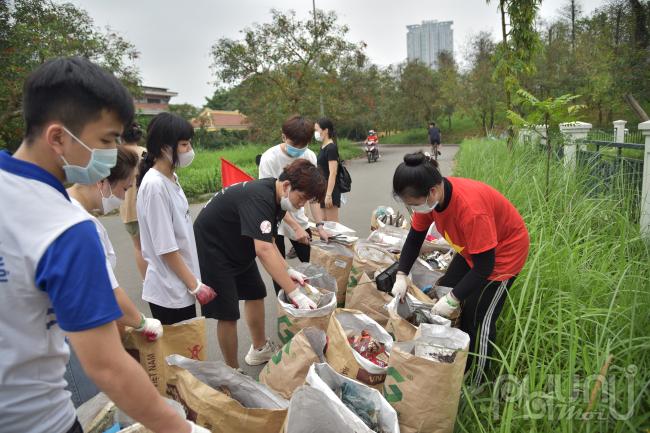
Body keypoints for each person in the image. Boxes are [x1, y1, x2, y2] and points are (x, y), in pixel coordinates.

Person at [0, 56, 207, 433]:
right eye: (107, 140)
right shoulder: (67, 226)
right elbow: (107, 366)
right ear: (58, 137)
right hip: (39, 420)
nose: (114, 153)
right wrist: (182, 428)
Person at [390, 152, 529, 385]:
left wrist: (455, 299)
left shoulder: (471, 210)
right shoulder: (432, 199)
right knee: (442, 289)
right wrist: (402, 274)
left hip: (502, 256)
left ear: (432, 191)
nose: (414, 209)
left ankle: (479, 381)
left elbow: (485, 266)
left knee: (479, 318)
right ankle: (455, 356)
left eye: (414, 204)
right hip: (470, 249)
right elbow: (415, 238)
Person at [193, 159, 327, 369]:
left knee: (256, 292)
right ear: (286, 186)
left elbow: (270, 241)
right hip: (214, 247)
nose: (301, 205)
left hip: (238, 241)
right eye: (301, 199)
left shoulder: (278, 199)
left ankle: (258, 349)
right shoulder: (259, 198)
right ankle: (232, 370)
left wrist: (288, 269)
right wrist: (295, 294)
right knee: (227, 313)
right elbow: (263, 250)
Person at [65, 146, 163, 407]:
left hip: (70, 331)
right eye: (125, 187)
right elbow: (107, 291)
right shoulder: (80, 225)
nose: (124, 196)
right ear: (101, 182)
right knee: (87, 409)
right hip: (72, 337)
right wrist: (142, 322)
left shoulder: (64, 206)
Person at [137, 112, 216, 325]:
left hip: (180, 285)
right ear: (164, 147)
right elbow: (166, 248)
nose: (189, 149)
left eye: (189, 143)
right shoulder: (155, 186)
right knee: (179, 355)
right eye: (183, 144)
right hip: (169, 290)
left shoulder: (171, 177)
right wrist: (195, 285)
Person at [258, 115, 330, 293]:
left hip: (298, 215)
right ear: (283, 137)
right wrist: (295, 227)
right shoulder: (269, 159)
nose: (298, 149)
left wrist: (319, 225)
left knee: (310, 260)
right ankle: (287, 307)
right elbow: (272, 200)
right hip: (274, 218)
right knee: (279, 267)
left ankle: (313, 297)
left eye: (303, 145)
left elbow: (312, 196)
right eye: (294, 143)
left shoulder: (309, 156)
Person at [119, 122, 148, 278]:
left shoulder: (117, 154)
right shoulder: (145, 153)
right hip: (148, 207)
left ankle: (147, 281)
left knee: (138, 247)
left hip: (128, 209)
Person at [315, 117, 341, 222]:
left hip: (330, 190)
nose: (315, 133)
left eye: (317, 130)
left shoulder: (331, 148)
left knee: (333, 226)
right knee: (324, 223)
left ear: (325, 130)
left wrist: (329, 195)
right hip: (322, 189)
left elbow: (333, 172)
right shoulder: (323, 147)